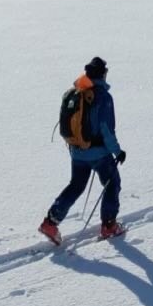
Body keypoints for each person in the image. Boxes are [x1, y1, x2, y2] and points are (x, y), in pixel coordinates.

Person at [39, 57, 127, 244]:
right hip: (99, 153)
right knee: (112, 184)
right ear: (102, 74)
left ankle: (50, 222)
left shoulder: (77, 92)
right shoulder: (102, 96)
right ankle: (109, 226)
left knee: (76, 186)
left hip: (77, 151)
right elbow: (106, 129)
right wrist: (117, 151)